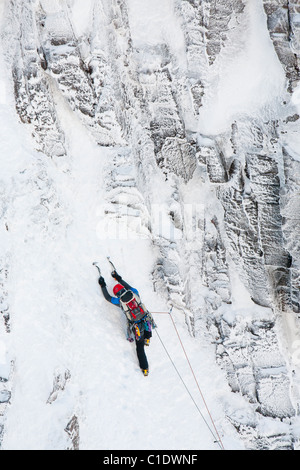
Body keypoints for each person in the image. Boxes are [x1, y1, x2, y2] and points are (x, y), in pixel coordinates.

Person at [98, 270, 155, 376]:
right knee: (147, 325)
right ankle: (147, 338)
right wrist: (118, 278)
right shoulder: (135, 292)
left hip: (137, 326)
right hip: (146, 320)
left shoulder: (120, 302)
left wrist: (103, 284)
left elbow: (108, 298)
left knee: (140, 348)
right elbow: (128, 286)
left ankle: (145, 369)